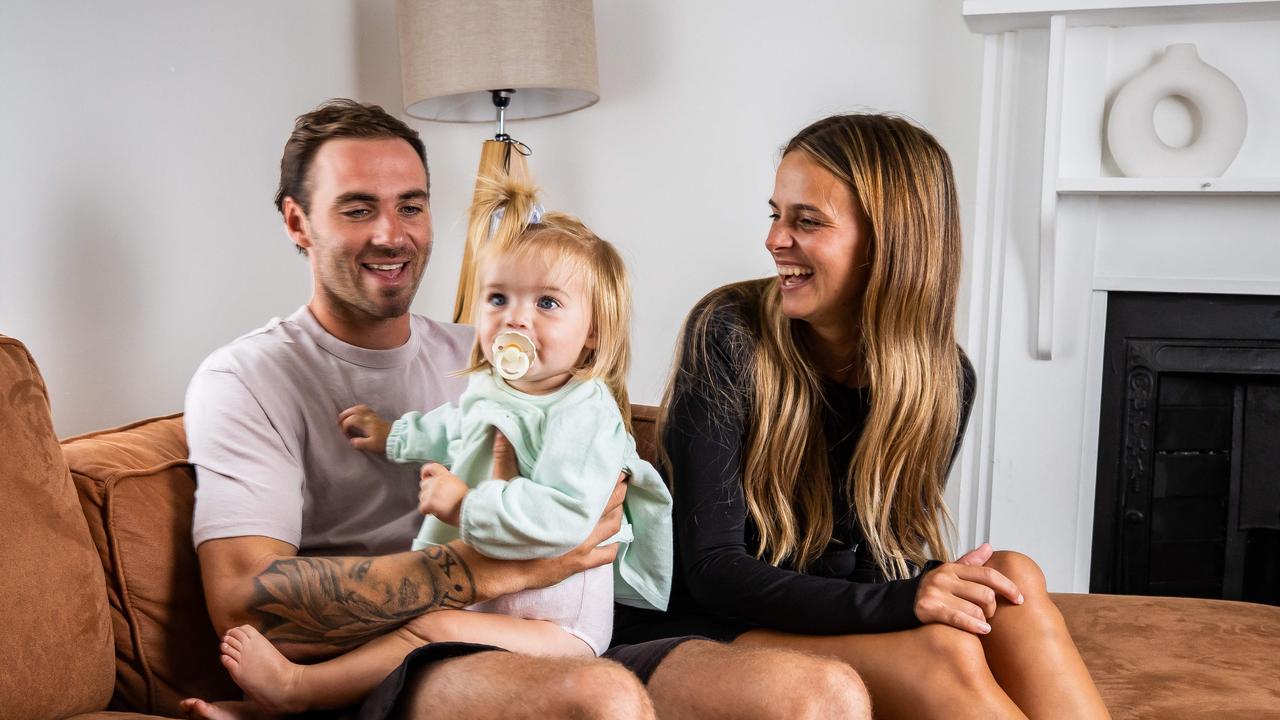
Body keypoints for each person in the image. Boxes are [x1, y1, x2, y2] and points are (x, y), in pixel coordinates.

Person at [179, 98, 871, 720]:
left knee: (823, 696)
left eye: (412, 205)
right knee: (603, 699)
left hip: (551, 625)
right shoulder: (248, 378)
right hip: (409, 653)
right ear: (298, 223)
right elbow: (246, 599)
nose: (393, 234)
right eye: (358, 208)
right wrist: (496, 568)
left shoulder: (497, 358)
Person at [622, 113, 1111, 719]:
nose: (775, 239)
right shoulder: (728, 330)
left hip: (822, 609)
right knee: (940, 653)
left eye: (807, 220)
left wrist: (923, 589)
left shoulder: (942, 378)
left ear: (889, 241)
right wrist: (908, 604)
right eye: (776, 213)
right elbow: (712, 571)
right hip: (707, 621)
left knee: (1015, 577)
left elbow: (881, 557)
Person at [211, 178, 675, 715]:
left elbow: (568, 518)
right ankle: (273, 708)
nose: (516, 318)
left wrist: (465, 506)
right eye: (499, 298)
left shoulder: (584, 411)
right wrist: (395, 435)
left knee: (428, 629)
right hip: (499, 602)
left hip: (560, 625)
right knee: (408, 623)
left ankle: (296, 691)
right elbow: (456, 426)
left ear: (593, 330)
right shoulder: (495, 389)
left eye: (547, 303)